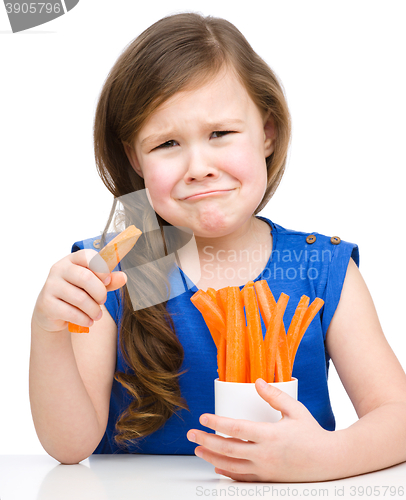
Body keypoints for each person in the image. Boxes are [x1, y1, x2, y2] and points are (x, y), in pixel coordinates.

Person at [30, 12, 406, 482]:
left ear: (267, 132)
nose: (198, 166)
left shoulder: (319, 266)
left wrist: (328, 458)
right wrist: (48, 329)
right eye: (167, 143)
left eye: (220, 134)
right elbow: (68, 447)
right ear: (134, 158)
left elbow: (399, 418)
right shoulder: (120, 269)